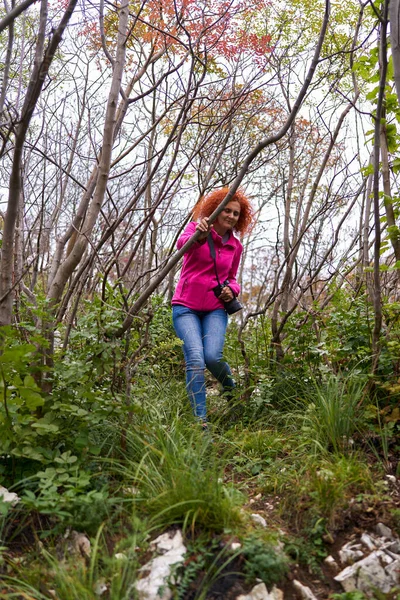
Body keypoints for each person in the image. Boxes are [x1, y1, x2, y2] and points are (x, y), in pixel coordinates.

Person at [172, 187, 254, 428]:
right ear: (216, 210)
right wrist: (198, 235)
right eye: (226, 210)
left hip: (215, 309)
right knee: (195, 359)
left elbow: (232, 277)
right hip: (185, 307)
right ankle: (201, 422)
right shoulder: (195, 229)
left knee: (212, 357)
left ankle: (232, 394)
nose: (230, 216)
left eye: (236, 213)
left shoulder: (235, 247)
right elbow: (182, 245)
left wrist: (233, 290)